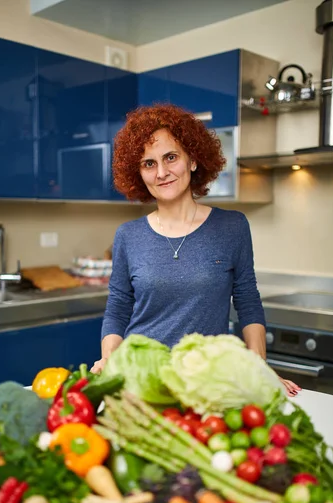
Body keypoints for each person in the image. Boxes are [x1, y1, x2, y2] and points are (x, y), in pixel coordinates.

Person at [91, 104, 300, 397]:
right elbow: (118, 307)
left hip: (208, 383)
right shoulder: (128, 235)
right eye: (148, 163)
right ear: (138, 173)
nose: (161, 172)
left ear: (192, 160)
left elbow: (247, 300)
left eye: (171, 157)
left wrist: (258, 365)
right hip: (141, 382)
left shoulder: (232, 227)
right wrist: (109, 357)